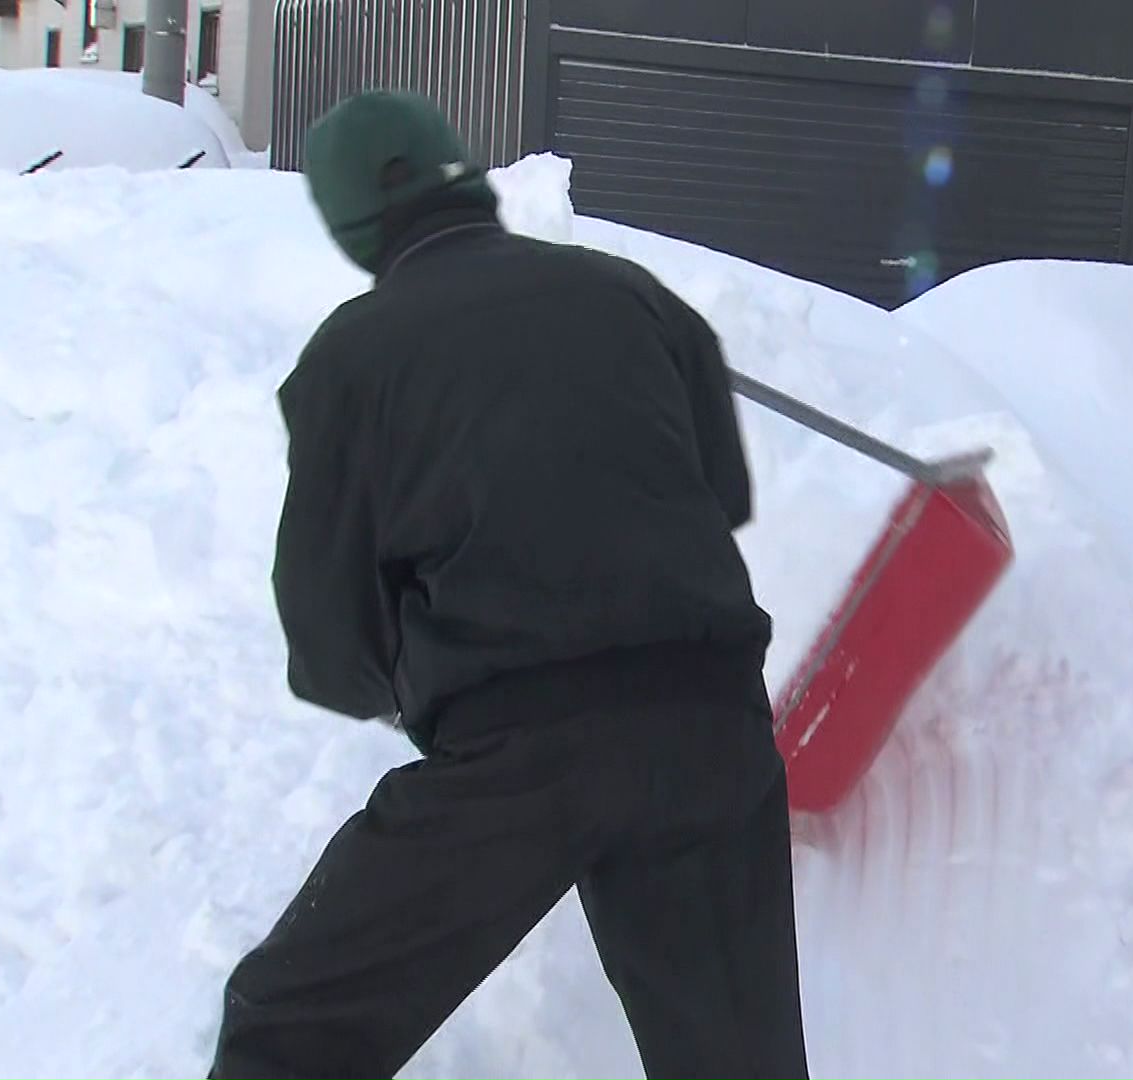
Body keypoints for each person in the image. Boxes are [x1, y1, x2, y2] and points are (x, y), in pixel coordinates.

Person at [207, 90, 808, 1080]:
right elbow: (721, 494)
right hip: (711, 727)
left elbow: (328, 638)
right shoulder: (635, 295)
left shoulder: (354, 358)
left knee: (289, 1027)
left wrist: (416, 685)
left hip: (518, 751)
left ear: (349, 222)